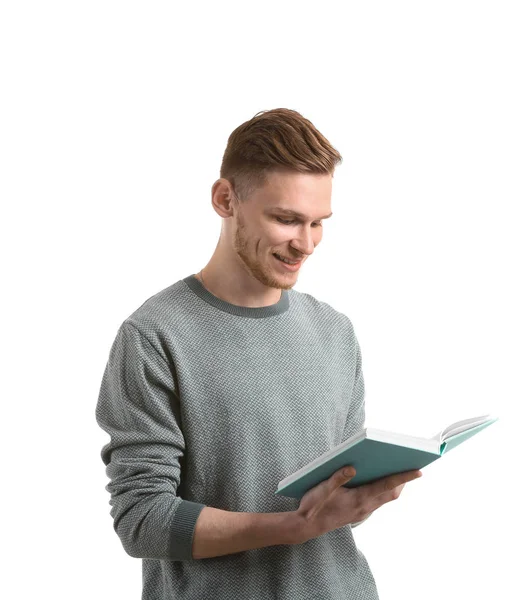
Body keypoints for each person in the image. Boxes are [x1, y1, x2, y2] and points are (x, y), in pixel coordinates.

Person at [95, 108, 421, 600]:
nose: (306, 243)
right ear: (226, 199)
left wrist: (360, 494)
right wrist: (291, 527)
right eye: (286, 219)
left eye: (318, 222)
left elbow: (332, 488)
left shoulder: (334, 331)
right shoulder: (155, 335)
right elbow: (142, 520)